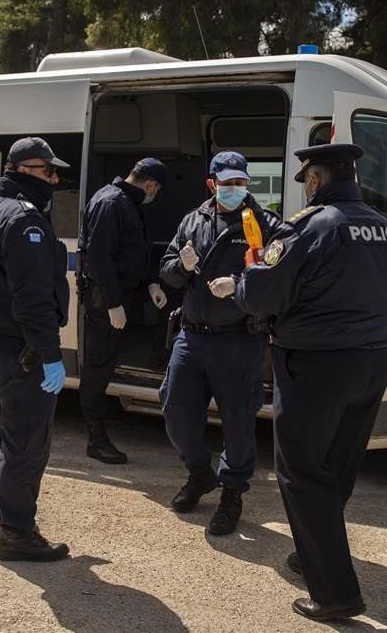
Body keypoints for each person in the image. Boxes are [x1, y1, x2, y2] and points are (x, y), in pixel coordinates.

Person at [209, 143, 387, 621]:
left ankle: (336, 593)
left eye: (307, 181)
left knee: (302, 473)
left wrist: (242, 278)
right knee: (337, 466)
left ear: (315, 180)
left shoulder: (310, 226)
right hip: (373, 359)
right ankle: (316, 551)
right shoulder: (384, 227)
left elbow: (260, 294)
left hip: (317, 364)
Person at [158, 151, 285, 536]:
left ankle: (232, 492)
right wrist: (181, 265)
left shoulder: (263, 223)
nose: (235, 189)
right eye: (228, 183)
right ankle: (200, 474)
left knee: (238, 422)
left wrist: (240, 285)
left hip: (238, 340)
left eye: (241, 183)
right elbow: (167, 272)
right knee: (175, 408)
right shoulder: (192, 220)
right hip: (193, 336)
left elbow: (279, 275)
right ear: (212, 184)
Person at [0, 137, 73, 562]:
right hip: (21, 347)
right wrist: (49, 354)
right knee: (27, 440)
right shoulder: (25, 221)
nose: (54, 180)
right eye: (49, 172)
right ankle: (17, 532)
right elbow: (32, 299)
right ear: (25, 170)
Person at [76, 157, 170, 464]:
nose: (155, 194)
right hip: (104, 302)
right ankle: (95, 439)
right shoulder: (111, 202)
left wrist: (151, 285)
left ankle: (99, 430)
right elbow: (100, 259)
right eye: (157, 190)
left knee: (106, 362)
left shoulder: (126, 202)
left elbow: (131, 253)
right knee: (97, 368)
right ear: (151, 184)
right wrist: (113, 303)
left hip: (121, 296)